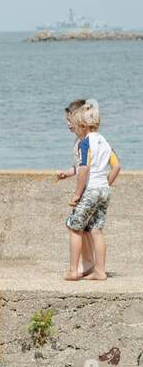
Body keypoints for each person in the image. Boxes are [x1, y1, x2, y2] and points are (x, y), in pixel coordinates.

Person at [61, 99, 120, 281]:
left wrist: (77, 194)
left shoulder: (85, 143)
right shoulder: (104, 142)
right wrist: (105, 184)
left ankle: (73, 270)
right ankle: (100, 271)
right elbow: (116, 167)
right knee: (96, 230)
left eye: (76, 126)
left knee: (74, 227)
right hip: (103, 189)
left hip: (91, 189)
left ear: (83, 126)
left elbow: (84, 169)